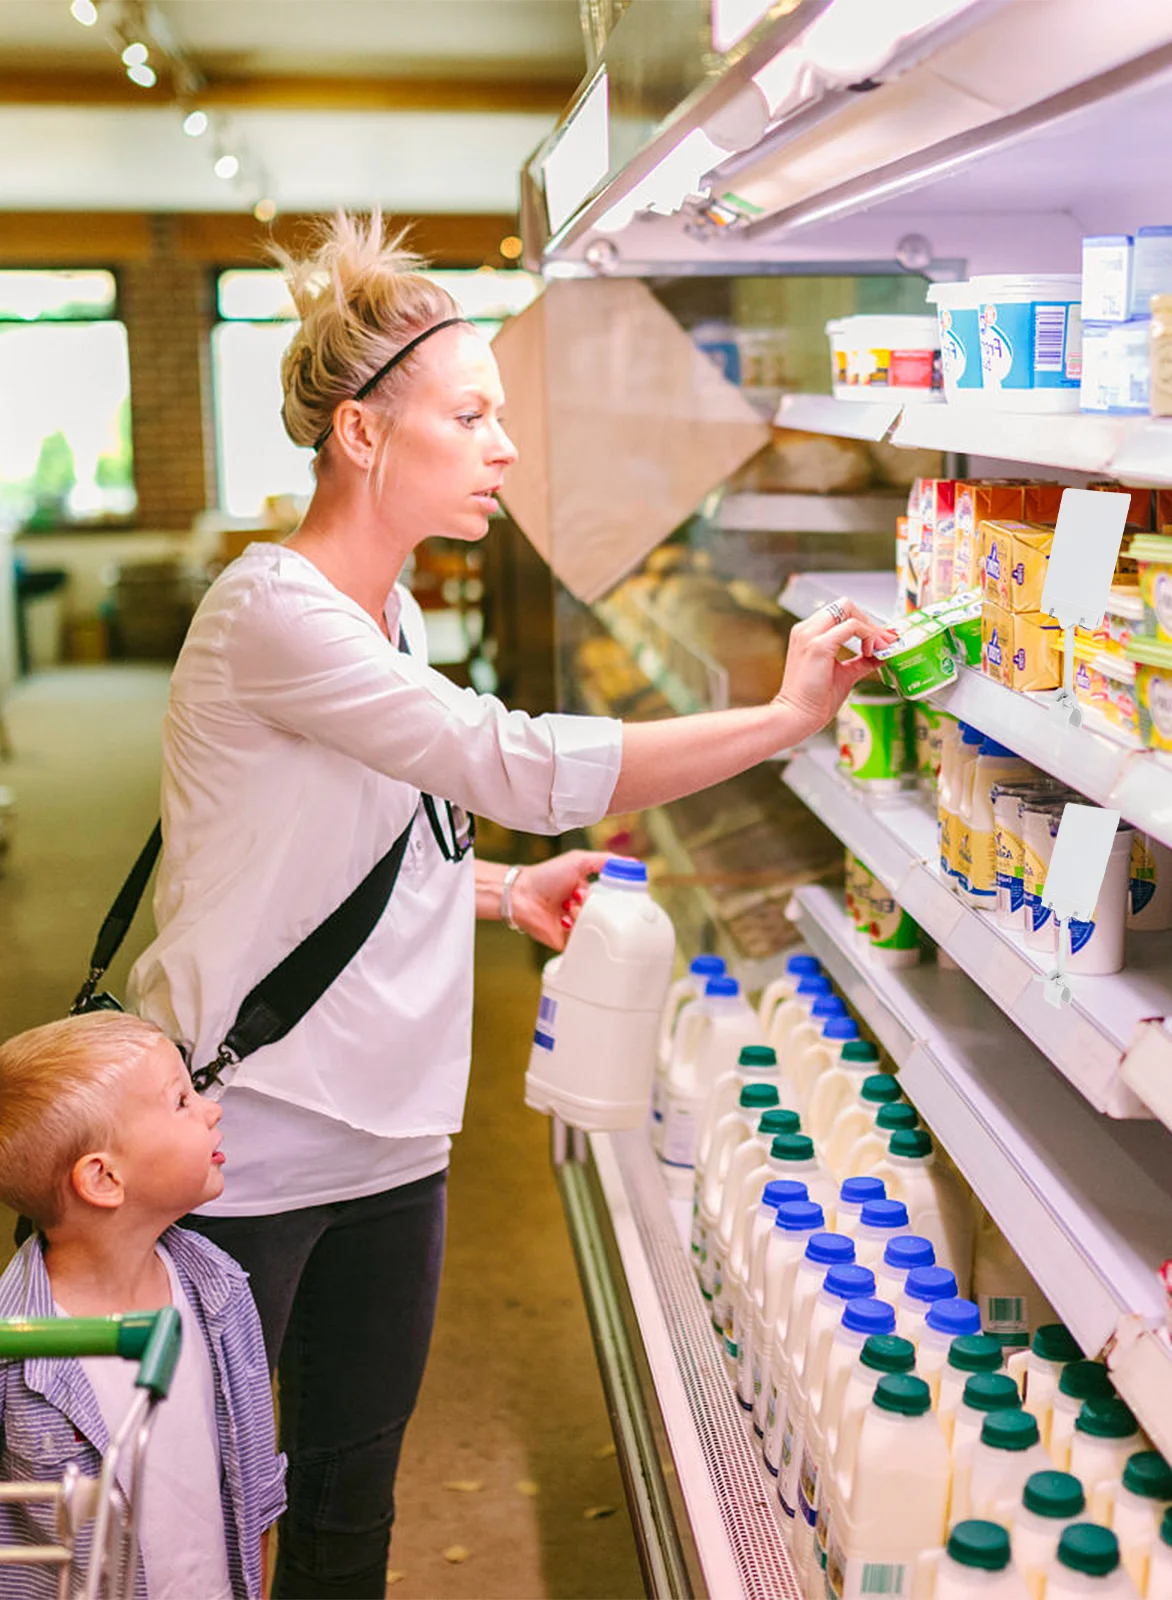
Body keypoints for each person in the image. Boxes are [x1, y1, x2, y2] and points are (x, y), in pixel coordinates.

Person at [122, 210, 891, 1599]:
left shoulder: (393, 611)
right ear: (363, 434)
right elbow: (514, 762)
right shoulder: (274, 615)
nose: (506, 447)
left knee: (352, 1498)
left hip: (396, 1134)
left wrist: (498, 887)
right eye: (470, 415)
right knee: (203, 1519)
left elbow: (351, 847)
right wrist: (780, 719)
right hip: (246, 1140)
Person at [0, 1012, 285, 1600]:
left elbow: (254, 1496)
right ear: (103, 1178)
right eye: (181, 1100)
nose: (212, 1108)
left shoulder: (222, 1293)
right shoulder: (14, 1353)